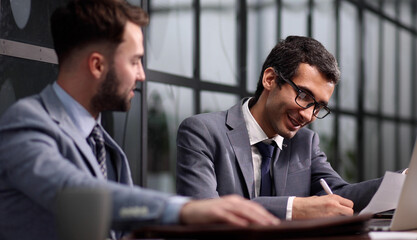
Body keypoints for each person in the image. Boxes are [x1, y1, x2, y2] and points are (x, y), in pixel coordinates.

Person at [0, 0, 280, 239]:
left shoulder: (105, 146)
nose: (142, 75)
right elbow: (73, 194)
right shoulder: (25, 124)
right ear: (97, 65)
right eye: (135, 61)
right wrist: (184, 209)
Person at [176, 36, 383, 220]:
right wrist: (293, 208)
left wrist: (402, 181)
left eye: (318, 106)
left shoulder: (305, 143)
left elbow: (338, 197)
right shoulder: (202, 132)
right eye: (303, 96)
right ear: (270, 79)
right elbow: (204, 211)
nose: (309, 115)